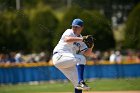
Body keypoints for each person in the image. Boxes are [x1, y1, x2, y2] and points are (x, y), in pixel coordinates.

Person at [52, 18, 94, 93]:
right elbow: (67, 39)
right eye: (73, 26)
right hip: (59, 56)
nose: (74, 28)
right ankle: (81, 82)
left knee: (77, 83)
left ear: (81, 28)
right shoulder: (69, 32)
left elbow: (87, 53)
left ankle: (79, 82)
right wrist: (83, 38)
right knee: (81, 58)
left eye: (76, 27)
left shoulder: (81, 40)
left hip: (66, 61)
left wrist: (91, 46)